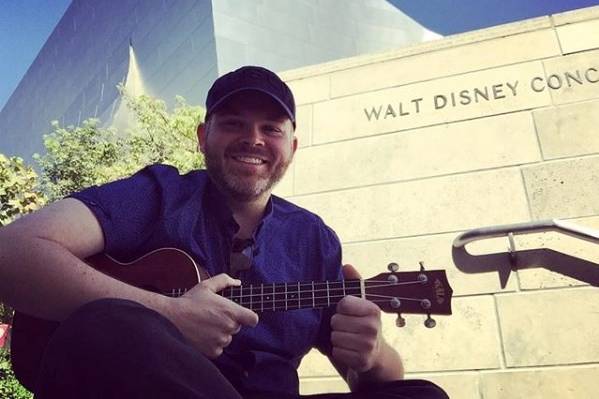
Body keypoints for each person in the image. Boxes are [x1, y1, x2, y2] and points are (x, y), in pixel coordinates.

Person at [0, 66, 448, 399]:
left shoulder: (314, 238)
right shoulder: (158, 195)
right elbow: (12, 251)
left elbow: (375, 381)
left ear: (291, 147)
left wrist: (371, 355)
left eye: (271, 128)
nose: (252, 138)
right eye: (233, 122)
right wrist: (167, 316)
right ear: (202, 136)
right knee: (107, 321)